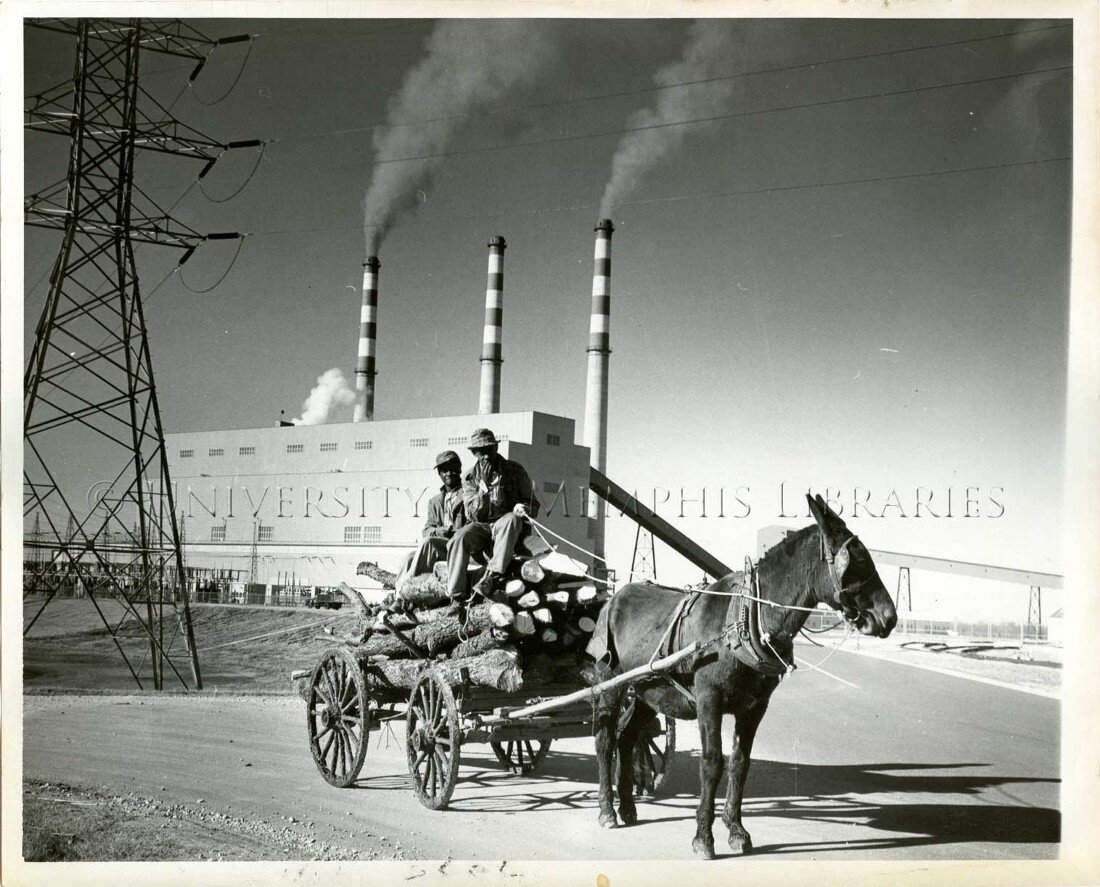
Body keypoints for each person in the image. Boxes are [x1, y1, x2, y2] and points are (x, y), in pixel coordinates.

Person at [446, 428, 540, 602]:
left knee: (510, 519)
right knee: (458, 538)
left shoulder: (515, 470)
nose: (486, 457)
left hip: (506, 523)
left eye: (489, 450)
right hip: (481, 525)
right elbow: (472, 513)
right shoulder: (469, 477)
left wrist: (525, 508)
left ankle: (493, 576)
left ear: (496, 448)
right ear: (475, 453)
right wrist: (483, 489)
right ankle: (456, 594)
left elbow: (534, 503)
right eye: (481, 453)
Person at [394, 450, 466, 590]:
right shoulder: (435, 501)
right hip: (440, 547)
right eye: (444, 470)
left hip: (459, 547)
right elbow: (427, 530)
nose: (448, 473)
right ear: (439, 474)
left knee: (429, 543)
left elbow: (473, 525)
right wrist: (439, 531)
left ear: (459, 469)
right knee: (408, 558)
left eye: (452, 469)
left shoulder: (468, 494)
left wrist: (452, 532)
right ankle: (398, 594)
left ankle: (406, 593)